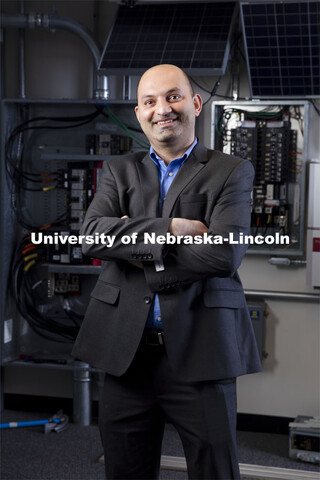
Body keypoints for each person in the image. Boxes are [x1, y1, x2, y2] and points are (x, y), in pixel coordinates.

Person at [72, 64, 262, 479]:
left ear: (195, 103)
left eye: (173, 96)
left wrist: (131, 246)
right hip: (126, 352)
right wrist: (174, 230)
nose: (163, 109)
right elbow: (90, 236)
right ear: (139, 113)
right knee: (126, 471)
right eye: (150, 101)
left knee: (215, 470)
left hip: (201, 348)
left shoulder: (231, 170)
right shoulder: (119, 170)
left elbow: (222, 255)